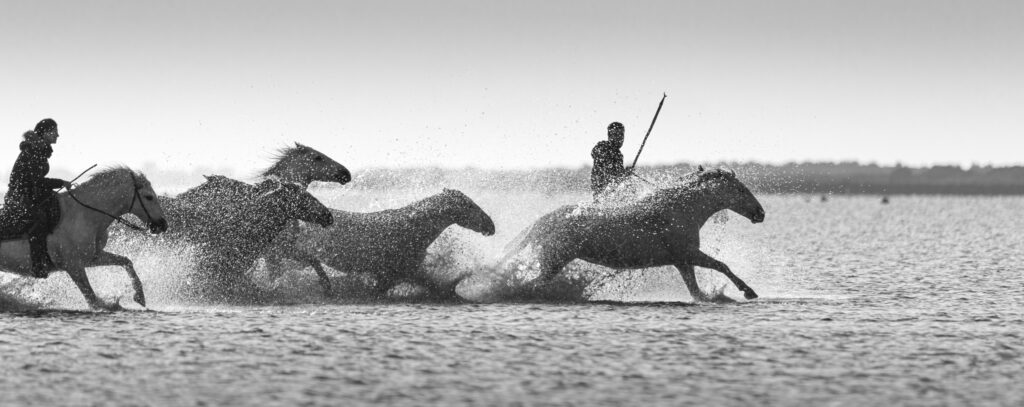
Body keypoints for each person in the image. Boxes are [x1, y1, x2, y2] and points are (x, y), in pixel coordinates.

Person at [0, 119, 72, 277]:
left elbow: (34, 182)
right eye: (54, 131)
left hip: (27, 195)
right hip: (20, 198)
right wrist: (61, 182)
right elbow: (36, 181)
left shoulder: (37, 150)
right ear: (45, 133)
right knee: (38, 219)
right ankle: (38, 264)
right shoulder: (34, 151)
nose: (58, 135)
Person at [590, 122, 632, 197]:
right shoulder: (603, 146)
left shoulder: (618, 155)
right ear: (609, 136)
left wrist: (625, 174)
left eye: (621, 135)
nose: (619, 137)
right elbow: (595, 153)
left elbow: (618, 178)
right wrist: (624, 174)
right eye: (615, 135)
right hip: (602, 196)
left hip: (611, 195)